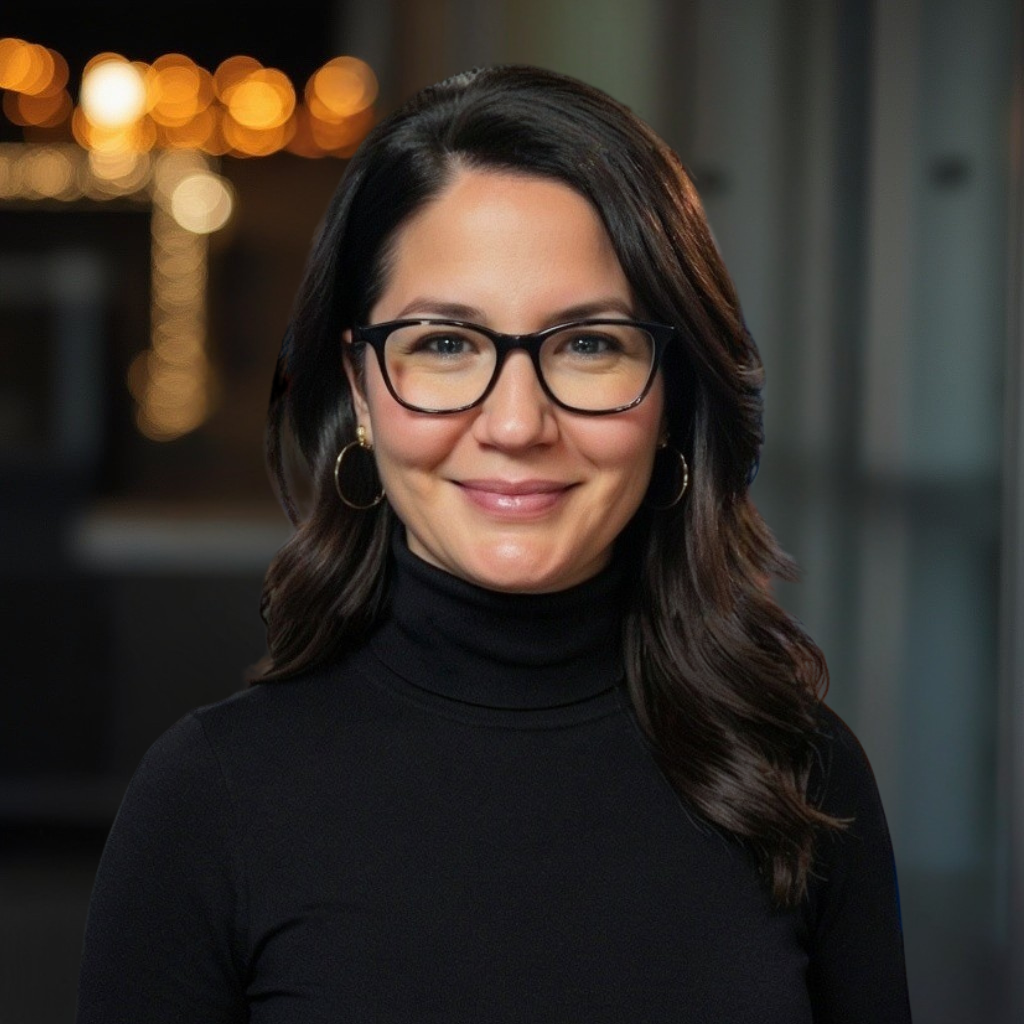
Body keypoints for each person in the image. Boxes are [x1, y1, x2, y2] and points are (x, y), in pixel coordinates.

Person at [76, 64, 912, 1022]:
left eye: (589, 344)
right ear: (359, 385)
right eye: (444, 343)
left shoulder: (799, 780)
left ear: (672, 391)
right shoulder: (210, 802)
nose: (517, 423)